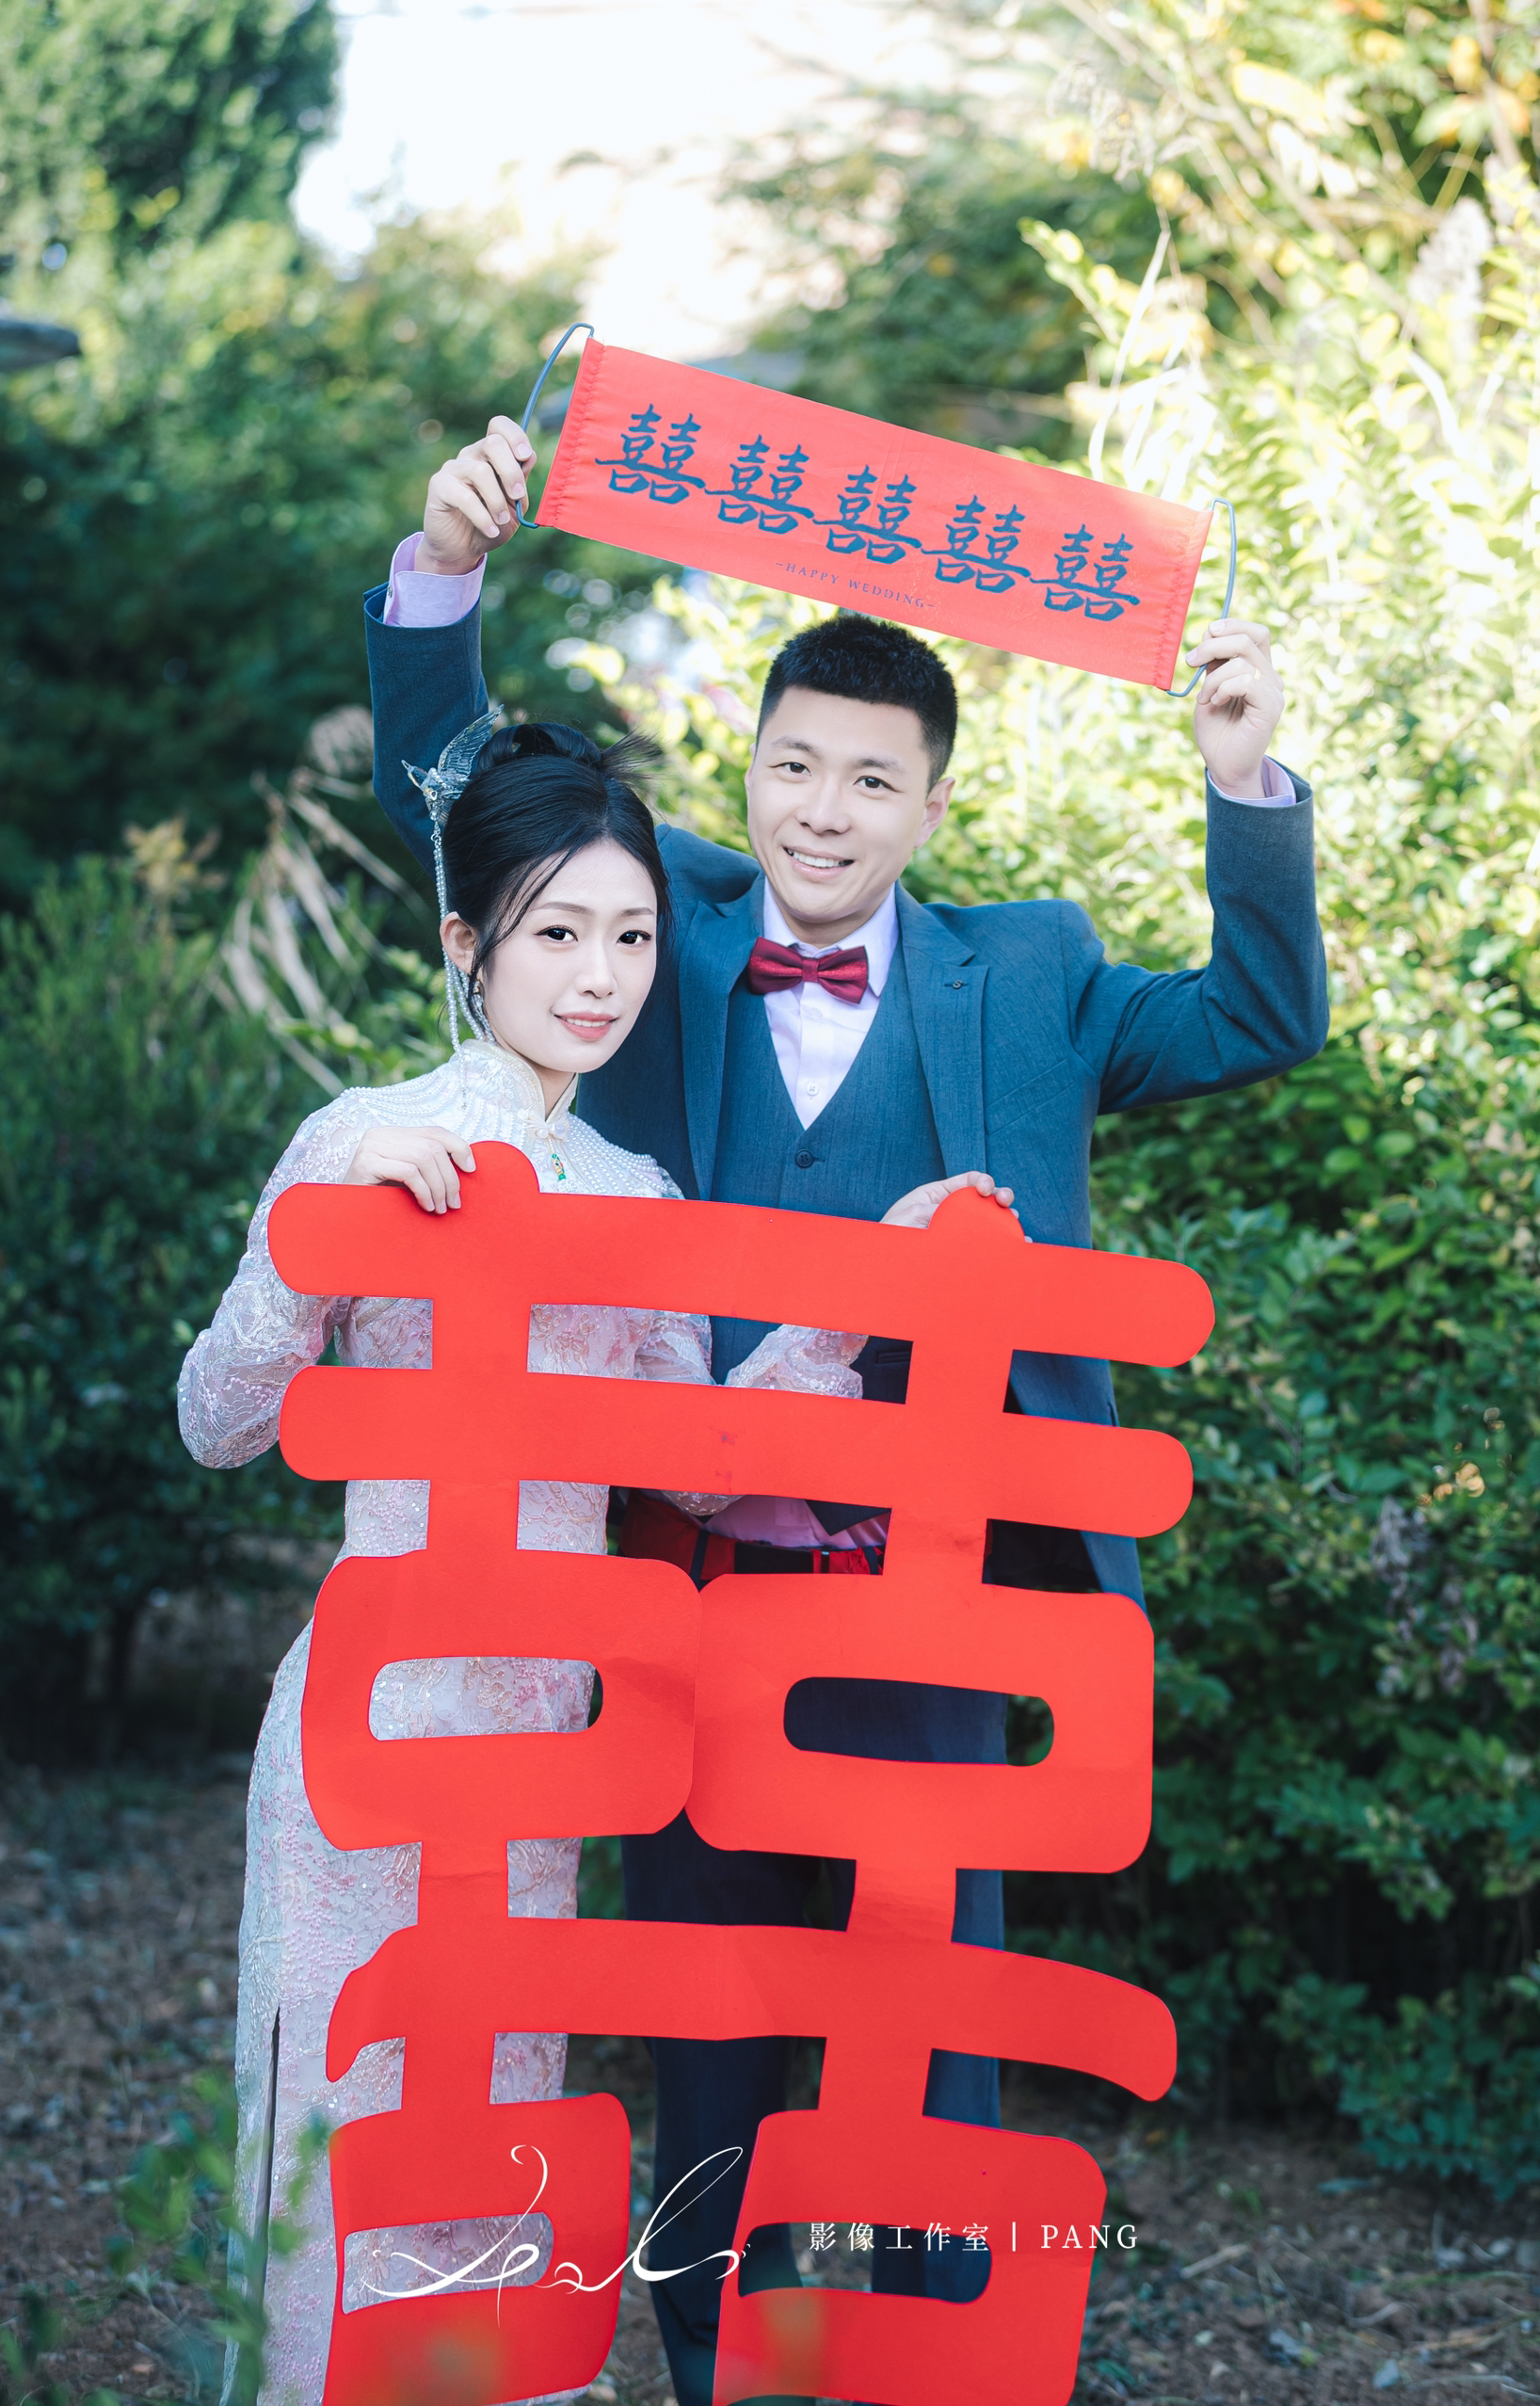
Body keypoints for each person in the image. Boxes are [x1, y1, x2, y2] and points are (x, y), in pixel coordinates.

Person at [361, 416, 1329, 2406]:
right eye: (793, 765)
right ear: (752, 770)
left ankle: (918, 2361)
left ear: (933, 801)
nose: (822, 811)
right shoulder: (651, 925)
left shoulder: (1031, 976)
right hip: (682, 1588)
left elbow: (1262, 1014)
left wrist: (1245, 776)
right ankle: (716, 2361)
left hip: (929, 1600)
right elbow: (460, 796)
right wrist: (443, 575)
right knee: (703, 2011)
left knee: (924, 2014)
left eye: (871, 779)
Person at [177, 720, 1003, 2406]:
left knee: (494, 2118)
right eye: (557, 932)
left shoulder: (632, 1190)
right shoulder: (364, 1135)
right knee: (342, 2116)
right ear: (466, 943)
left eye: (631, 935)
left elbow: (702, 1460)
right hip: (376, 1721)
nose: (602, 975)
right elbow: (216, 1420)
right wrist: (321, 1233)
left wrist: (876, 1284)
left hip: (545, 1745)